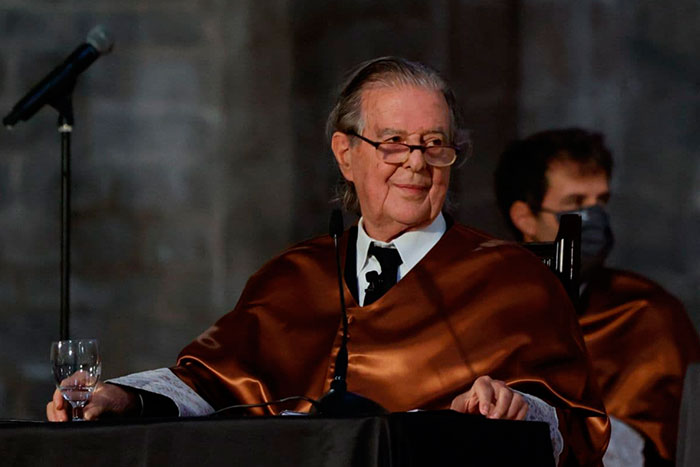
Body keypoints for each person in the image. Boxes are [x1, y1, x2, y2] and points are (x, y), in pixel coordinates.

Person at [48, 58, 609, 465]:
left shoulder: (513, 278)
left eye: (434, 144)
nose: (417, 163)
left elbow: (574, 423)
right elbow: (209, 382)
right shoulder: (291, 276)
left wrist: (516, 409)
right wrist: (123, 396)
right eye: (394, 142)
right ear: (346, 154)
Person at [495, 128, 700, 466]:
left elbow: (676, 441)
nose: (594, 219)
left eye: (600, 202)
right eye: (576, 203)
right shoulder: (483, 306)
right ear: (525, 217)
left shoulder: (650, 311)